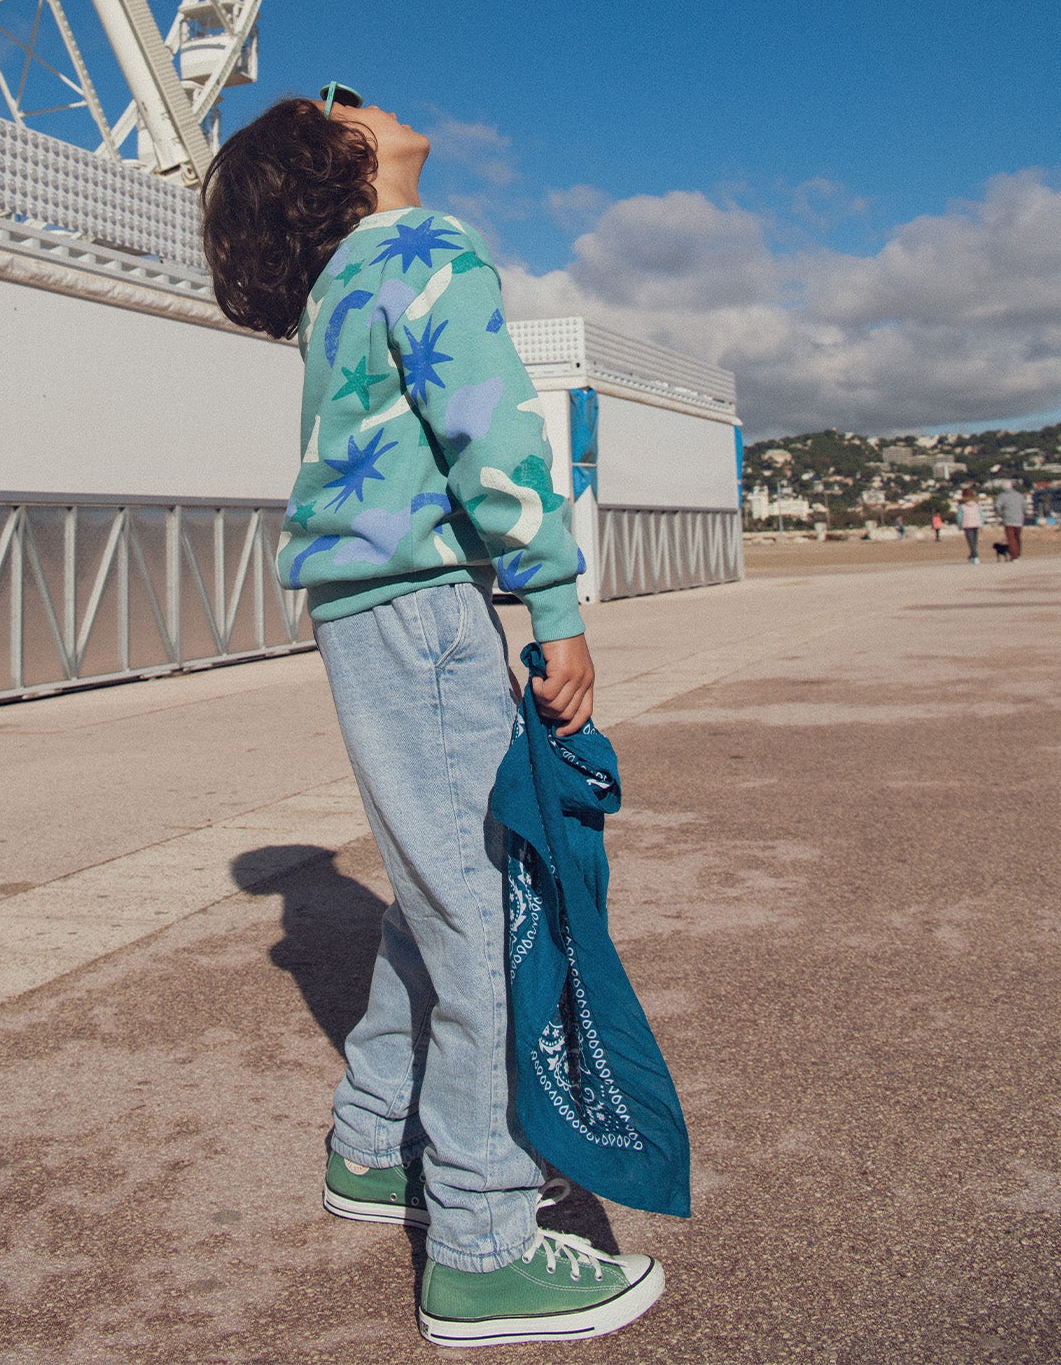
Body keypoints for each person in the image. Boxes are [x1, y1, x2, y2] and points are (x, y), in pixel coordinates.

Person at [201, 87, 665, 1349]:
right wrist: (553, 599)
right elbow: (491, 431)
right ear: (340, 150)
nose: (370, 94)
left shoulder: (338, 287)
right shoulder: (425, 247)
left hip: (364, 612)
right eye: (340, 95)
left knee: (434, 892)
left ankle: (371, 1147)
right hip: (427, 613)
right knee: (488, 920)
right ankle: (480, 1240)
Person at [995, 482, 1026, 560]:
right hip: (1019, 519)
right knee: (1017, 537)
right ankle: (1018, 553)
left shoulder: (1002, 496)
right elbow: (1025, 506)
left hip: (1008, 520)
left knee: (1011, 538)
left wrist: (1001, 514)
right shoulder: (1019, 495)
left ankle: (1014, 555)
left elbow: (997, 506)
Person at [957, 486, 983, 563]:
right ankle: (972, 556)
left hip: (967, 525)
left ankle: (975, 556)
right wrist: (982, 525)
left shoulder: (961, 506)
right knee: (974, 542)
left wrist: (959, 525)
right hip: (976, 524)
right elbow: (980, 515)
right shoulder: (976, 505)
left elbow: (959, 517)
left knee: (971, 542)